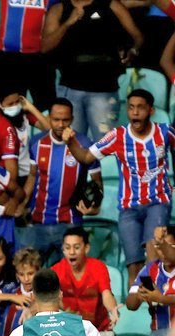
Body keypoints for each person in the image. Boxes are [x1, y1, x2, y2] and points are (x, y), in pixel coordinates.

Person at [63, 90, 175, 283]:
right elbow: (85, 157)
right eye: (131, 107)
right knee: (134, 268)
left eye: (140, 107)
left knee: (153, 260)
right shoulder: (118, 136)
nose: (135, 112)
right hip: (128, 208)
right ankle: (137, 312)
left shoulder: (166, 132)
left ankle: (158, 311)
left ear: (151, 110)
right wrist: (71, 142)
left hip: (158, 202)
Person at [42, 0, 142, 140]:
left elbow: (137, 37)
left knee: (104, 146)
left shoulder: (111, 5)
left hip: (104, 91)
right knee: (71, 145)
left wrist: (132, 51)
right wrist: (68, 23)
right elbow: (45, 46)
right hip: (70, 90)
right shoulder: (59, 9)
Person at [22, 98, 102, 265]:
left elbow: (97, 183)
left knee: (66, 281)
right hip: (38, 222)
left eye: (65, 120)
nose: (60, 124)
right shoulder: (36, 142)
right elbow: (31, 177)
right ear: (49, 118)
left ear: (72, 119)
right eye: (56, 119)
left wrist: (94, 206)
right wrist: (23, 205)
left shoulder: (86, 145)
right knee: (29, 275)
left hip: (70, 224)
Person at [52, 226, 120, 332]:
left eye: (77, 247)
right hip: (69, 331)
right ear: (63, 249)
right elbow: (45, 299)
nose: (72, 252)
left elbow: (106, 294)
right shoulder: (56, 271)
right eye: (67, 247)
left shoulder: (98, 267)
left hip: (99, 330)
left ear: (86, 248)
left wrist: (112, 309)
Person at [127, 225, 175, 336]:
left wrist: (161, 299)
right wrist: (140, 295)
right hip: (157, 335)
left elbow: (162, 299)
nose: (164, 252)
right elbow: (130, 305)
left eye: (170, 247)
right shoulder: (149, 269)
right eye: (159, 247)